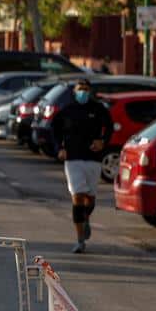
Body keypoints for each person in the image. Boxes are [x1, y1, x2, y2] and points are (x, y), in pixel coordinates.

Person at [51, 79, 113, 253]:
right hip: (72, 158)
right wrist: (60, 148)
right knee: (78, 196)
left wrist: (103, 141)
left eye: (86, 89)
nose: (83, 92)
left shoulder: (98, 108)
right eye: (80, 89)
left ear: (90, 91)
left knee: (90, 198)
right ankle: (80, 240)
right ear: (74, 92)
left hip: (93, 158)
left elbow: (109, 127)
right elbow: (54, 129)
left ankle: (85, 218)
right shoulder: (68, 110)